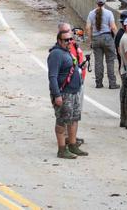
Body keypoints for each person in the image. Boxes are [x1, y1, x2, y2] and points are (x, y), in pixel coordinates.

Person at [47, 27, 88, 159]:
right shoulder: (56, 54)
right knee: (62, 121)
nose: (69, 41)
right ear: (59, 40)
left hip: (74, 92)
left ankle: (73, 144)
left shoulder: (68, 52)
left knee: (74, 119)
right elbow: (52, 76)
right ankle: (62, 149)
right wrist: (57, 95)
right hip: (64, 93)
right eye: (65, 40)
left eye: (70, 39)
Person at [86, 0, 119, 89]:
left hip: (96, 39)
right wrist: (117, 38)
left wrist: (90, 40)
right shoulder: (109, 13)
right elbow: (113, 27)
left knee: (98, 62)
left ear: (96, 2)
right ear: (105, 2)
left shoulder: (91, 13)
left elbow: (88, 28)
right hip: (107, 38)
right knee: (110, 61)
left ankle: (99, 83)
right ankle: (112, 83)